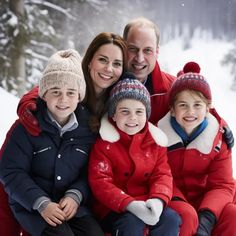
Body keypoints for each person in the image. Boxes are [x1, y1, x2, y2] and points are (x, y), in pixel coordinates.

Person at [0, 32, 127, 236]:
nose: (63, 99)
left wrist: (76, 195)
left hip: (75, 206)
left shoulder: (106, 111)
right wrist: (40, 203)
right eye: (103, 59)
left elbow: (91, 170)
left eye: (70, 93)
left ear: (79, 96)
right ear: (89, 62)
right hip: (34, 204)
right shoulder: (30, 124)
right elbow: (10, 171)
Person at [88, 72, 181, 235]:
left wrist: (158, 200)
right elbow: (100, 182)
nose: (132, 118)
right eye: (125, 111)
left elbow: (162, 175)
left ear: (147, 114)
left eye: (139, 112)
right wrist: (129, 204)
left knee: (171, 219)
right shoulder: (104, 144)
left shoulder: (156, 142)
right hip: (114, 207)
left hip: (147, 200)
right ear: (114, 115)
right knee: (131, 223)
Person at [158, 62, 236, 236]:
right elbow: (160, 176)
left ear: (208, 108)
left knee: (232, 214)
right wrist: (181, 203)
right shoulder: (160, 139)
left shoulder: (218, 140)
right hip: (175, 196)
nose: (190, 112)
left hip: (209, 198)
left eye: (197, 105)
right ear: (172, 109)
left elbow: (222, 184)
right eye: (183, 105)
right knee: (187, 216)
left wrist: (207, 217)